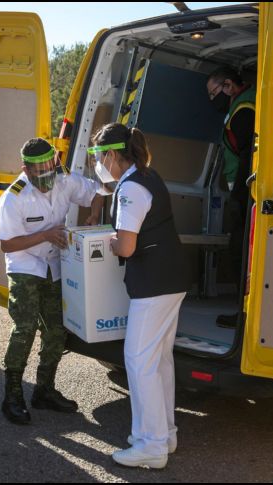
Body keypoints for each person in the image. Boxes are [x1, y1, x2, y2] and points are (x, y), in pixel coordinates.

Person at [89, 123, 188, 469]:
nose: (100, 162)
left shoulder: (130, 189)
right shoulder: (150, 176)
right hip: (172, 278)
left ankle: (151, 445)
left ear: (113, 155)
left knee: (138, 360)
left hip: (153, 283)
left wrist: (110, 241)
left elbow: (127, 247)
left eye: (100, 156)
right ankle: (165, 434)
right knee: (159, 360)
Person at [0, 137, 105, 425]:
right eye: (38, 171)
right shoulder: (13, 197)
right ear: (26, 169)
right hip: (25, 263)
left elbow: (97, 191)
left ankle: (44, 390)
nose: (46, 175)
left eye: (49, 167)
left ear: (55, 162)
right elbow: (7, 244)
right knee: (25, 327)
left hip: (55, 265)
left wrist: (93, 215)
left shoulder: (63, 179)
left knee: (57, 329)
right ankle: (13, 394)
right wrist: (45, 235)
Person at [206, 67, 256, 328]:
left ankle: (244, 314)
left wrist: (240, 191)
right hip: (243, 186)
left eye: (215, 93)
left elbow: (249, 154)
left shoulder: (243, 110)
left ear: (228, 85)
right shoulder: (243, 102)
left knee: (241, 250)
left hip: (245, 188)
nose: (214, 99)